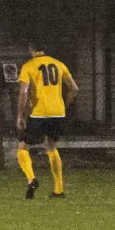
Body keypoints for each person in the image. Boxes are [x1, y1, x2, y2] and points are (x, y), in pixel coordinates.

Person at [16, 42, 78, 199]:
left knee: (23, 147)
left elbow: (23, 93)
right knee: (51, 147)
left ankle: (31, 179)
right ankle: (59, 190)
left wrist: (20, 116)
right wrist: (64, 104)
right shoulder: (59, 64)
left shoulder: (29, 66)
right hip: (58, 112)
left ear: (31, 50)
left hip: (39, 113)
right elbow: (74, 89)